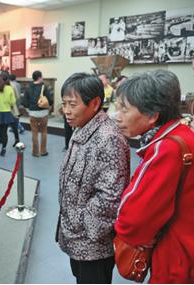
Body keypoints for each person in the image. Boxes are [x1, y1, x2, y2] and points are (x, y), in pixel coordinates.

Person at [114, 70, 194, 283]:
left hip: (177, 259)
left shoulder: (166, 149)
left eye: (124, 109)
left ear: (152, 115)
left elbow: (133, 220)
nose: (117, 116)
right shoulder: (184, 134)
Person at [56, 72, 130, 284]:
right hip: (76, 237)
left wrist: (80, 224)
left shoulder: (108, 139)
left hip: (93, 245)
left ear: (95, 103)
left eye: (72, 104)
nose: (67, 111)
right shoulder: (82, 128)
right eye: (64, 104)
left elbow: (110, 198)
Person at [22, 70, 53, 157]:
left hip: (33, 114)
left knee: (34, 133)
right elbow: (50, 100)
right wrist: (49, 108)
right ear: (39, 77)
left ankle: (35, 152)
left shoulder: (28, 88)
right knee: (43, 131)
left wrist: (29, 110)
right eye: (42, 76)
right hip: (43, 113)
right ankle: (43, 151)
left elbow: (24, 102)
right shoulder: (44, 87)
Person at [9, 73, 25, 147]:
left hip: (12, 104)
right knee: (16, 117)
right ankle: (16, 127)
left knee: (13, 118)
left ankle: (20, 127)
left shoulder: (9, 85)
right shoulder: (18, 84)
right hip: (18, 103)